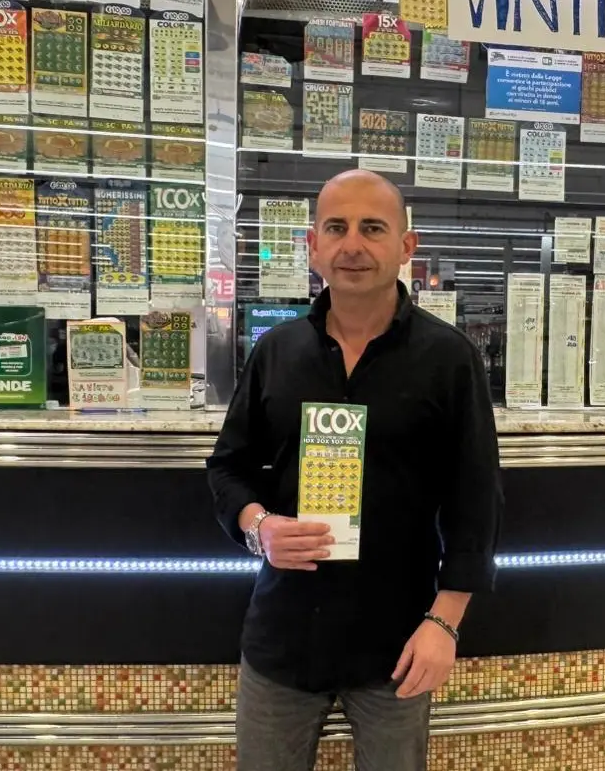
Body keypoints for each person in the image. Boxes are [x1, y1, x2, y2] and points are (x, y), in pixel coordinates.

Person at [208, 169, 503, 771]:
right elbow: (228, 466)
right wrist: (259, 526)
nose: (353, 246)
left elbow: (476, 500)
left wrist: (445, 623)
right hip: (284, 634)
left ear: (406, 246)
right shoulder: (277, 351)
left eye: (372, 228)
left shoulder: (449, 359)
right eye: (336, 228)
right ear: (312, 245)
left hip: (399, 642)